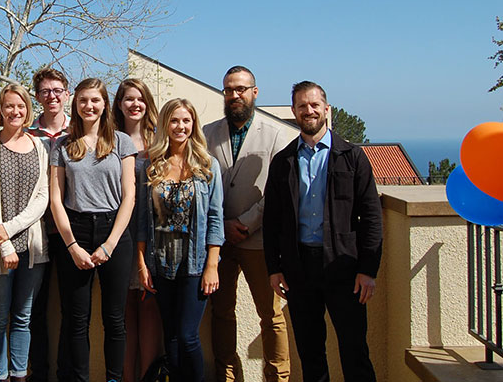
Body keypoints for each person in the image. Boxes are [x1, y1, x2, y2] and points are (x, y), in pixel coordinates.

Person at [263, 81, 382, 382]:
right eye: (302, 106)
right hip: (299, 269)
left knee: (354, 350)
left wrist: (368, 269)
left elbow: (371, 215)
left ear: (326, 109)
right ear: (294, 111)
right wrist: (274, 269)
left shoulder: (352, 157)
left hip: (345, 268)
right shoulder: (283, 162)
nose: (309, 110)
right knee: (310, 353)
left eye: (314, 105)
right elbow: (272, 221)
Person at [202, 66, 291, 382]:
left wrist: (247, 222)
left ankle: (277, 376)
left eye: (241, 88)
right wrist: (223, 225)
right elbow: (202, 185)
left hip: (259, 239)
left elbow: (278, 191)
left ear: (255, 92)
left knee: (271, 316)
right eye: (229, 89)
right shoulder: (207, 133)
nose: (234, 95)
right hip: (219, 240)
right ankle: (228, 375)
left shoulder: (277, 135)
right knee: (222, 313)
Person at [50, 78, 136, 382]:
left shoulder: (122, 142)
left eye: (95, 100)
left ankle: (114, 378)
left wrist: (110, 245)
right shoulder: (61, 145)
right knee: (76, 319)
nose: (89, 106)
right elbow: (56, 199)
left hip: (114, 233)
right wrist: (72, 245)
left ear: (104, 104)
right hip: (75, 232)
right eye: (83, 100)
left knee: (114, 320)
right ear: (75, 103)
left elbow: (129, 197)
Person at [136, 98, 224, 382]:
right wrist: (142, 263)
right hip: (160, 261)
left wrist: (212, 264)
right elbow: (141, 220)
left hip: (195, 263)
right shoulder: (150, 167)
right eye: (174, 120)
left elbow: (215, 218)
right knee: (171, 334)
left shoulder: (208, 166)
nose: (180, 126)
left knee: (187, 336)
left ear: (193, 125)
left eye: (186, 120)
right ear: (165, 125)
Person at [0, 84, 50, 382]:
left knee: (22, 318)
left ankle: (19, 375)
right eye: (9, 106)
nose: (15, 112)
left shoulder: (40, 147)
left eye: (21, 106)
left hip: (31, 247)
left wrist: (12, 229)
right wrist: (3, 243)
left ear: (28, 109)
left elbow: (42, 198)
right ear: (0, 110)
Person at [111, 78, 163, 382]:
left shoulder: (160, 141)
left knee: (150, 309)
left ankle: (148, 376)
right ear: (119, 103)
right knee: (124, 313)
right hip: (119, 234)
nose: (135, 104)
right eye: (128, 98)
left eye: (140, 98)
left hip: (153, 236)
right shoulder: (110, 140)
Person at [27, 67, 72, 382]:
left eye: (57, 90)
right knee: (35, 311)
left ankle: (67, 374)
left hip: (72, 234)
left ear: (66, 95)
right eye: (45, 91)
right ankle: (38, 374)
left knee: (73, 312)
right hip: (37, 233)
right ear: (38, 97)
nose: (52, 96)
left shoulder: (81, 132)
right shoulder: (27, 135)